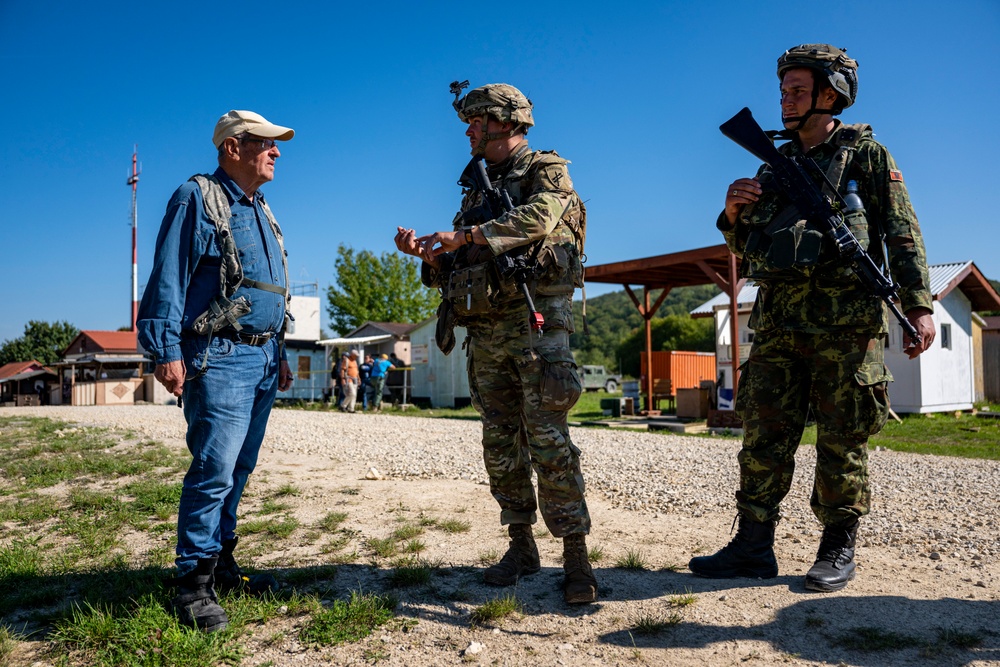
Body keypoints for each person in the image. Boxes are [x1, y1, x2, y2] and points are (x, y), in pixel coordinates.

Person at [689, 45, 935, 592]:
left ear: (832, 94)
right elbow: (751, 247)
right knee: (763, 435)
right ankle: (753, 545)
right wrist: (731, 214)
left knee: (842, 438)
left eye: (798, 90)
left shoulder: (865, 156)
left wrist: (918, 306)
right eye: (783, 89)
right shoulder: (770, 164)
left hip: (845, 327)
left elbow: (902, 231)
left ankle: (836, 547)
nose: (785, 99)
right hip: (777, 323)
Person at [394, 82, 596, 604]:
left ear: (503, 121)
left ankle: (576, 557)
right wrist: (431, 256)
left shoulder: (544, 170)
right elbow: (462, 264)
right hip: (486, 333)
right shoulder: (477, 188)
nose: (466, 131)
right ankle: (521, 546)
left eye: (474, 122)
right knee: (500, 444)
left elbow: (541, 218)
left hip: (535, 331)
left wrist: (468, 236)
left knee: (549, 441)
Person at [137, 109, 296, 631]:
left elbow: (267, 291)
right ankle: (194, 584)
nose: (276, 152)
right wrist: (165, 349)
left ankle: (222, 563)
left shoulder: (260, 206)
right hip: (221, 356)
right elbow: (168, 277)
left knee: (240, 468)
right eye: (266, 144)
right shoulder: (197, 197)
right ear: (233, 147)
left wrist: (282, 349)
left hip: (264, 355)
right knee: (213, 471)